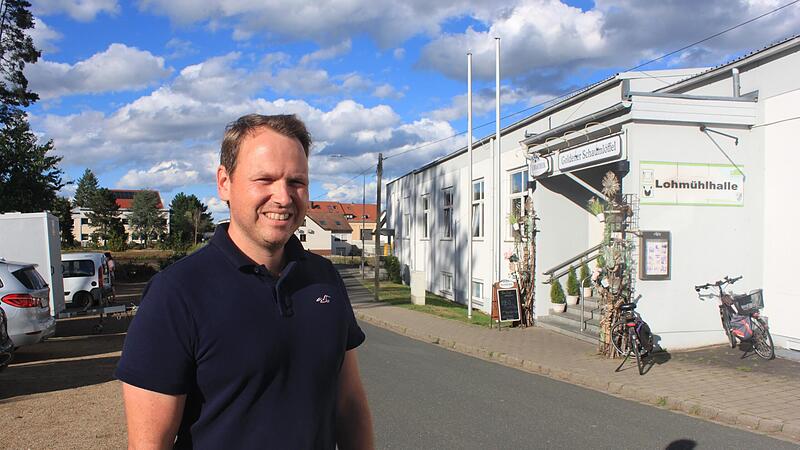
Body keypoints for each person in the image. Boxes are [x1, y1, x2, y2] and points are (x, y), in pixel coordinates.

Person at [115, 114, 374, 449]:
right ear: (225, 182)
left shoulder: (324, 279)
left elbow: (349, 404)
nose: (283, 197)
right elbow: (150, 444)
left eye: (296, 181)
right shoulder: (176, 293)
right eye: (264, 179)